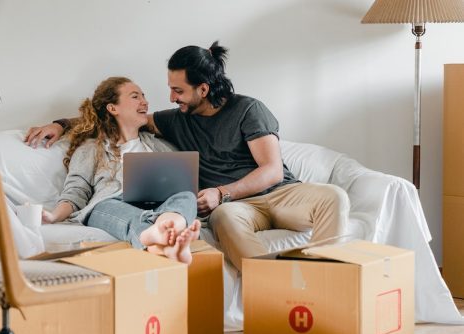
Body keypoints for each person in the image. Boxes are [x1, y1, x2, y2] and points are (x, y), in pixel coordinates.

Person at [26, 42, 349, 270]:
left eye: (178, 90)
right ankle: (268, 282)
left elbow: (272, 171)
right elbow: (107, 124)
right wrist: (61, 124)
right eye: (169, 89)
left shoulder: (247, 110)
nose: (169, 97)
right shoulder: (168, 121)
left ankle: (325, 277)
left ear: (204, 89)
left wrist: (220, 193)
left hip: (278, 195)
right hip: (232, 209)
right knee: (223, 219)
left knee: (333, 197)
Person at [41, 76, 200, 264]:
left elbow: (181, 185)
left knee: (186, 195)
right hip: (112, 206)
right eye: (135, 96)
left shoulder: (160, 146)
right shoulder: (91, 149)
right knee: (103, 206)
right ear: (112, 108)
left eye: (143, 96)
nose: (145, 102)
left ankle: (166, 235)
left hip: (158, 206)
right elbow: (76, 192)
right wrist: (53, 216)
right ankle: (162, 237)